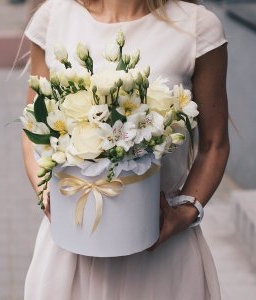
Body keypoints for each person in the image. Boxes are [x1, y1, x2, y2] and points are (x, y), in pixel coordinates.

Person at [21, 0, 229, 299]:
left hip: (160, 251)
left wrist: (184, 213)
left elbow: (214, 144)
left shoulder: (198, 27)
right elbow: (33, 129)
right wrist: (45, 195)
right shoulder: (53, 16)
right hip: (71, 247)